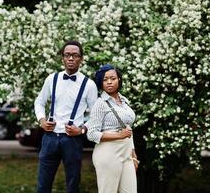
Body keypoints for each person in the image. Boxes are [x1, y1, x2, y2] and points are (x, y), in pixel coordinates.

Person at [34, 40, 98, 193]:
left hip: (72, 141)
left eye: (75, 55)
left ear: (81, 59)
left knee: (72, 185)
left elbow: (96, 115)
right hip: (49, 138)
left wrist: (82, 130)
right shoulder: (52, 79)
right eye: (67, 55)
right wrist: (42, 120)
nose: (71, 58)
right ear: (62, 58)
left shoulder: (89, 85)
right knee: (43, 185)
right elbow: (39, 101)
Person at [86, 64, 139, 193]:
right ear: (101, 82)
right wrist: (119, 136)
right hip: (108, 154)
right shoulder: (100, 104)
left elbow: (127, 129)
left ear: (119, 80)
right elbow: (91, 134)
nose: (109, 82)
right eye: (105, 79)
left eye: (113, 78)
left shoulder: (124, 101)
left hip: (126, 154)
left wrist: (133, 153)